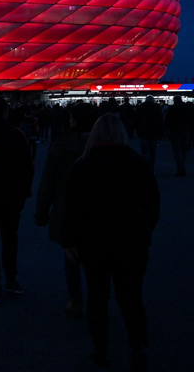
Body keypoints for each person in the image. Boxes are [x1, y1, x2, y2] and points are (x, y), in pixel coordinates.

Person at [62, 114, 160, 371]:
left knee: (97, 296)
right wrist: (144, 229)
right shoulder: (138, 163)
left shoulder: (82, 165)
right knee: (132, 296)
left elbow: (70, 208)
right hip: (132, 241)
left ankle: (101, 350)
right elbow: (153, 203)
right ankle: (138, 347)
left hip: (93, 243)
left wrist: (70, 240)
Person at [34, 102, 98, 319]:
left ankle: (75, 300)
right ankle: (98, 301)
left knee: (71, 255)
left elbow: (47, 183)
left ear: (75, 120)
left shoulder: (61, 145)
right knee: (98, 257)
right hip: (101, 211)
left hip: (68, 209)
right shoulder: (107, 145)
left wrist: (41, 213)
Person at [0, 96, 34, 302]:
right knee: (10, 239)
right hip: (11, 197)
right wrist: (24, 193)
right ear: (5, 111)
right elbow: (26, 167)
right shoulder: (15, 133)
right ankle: (11, 279)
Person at [134, 96, 164, 173]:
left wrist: (137, 130)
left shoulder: (141, 107)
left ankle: (145, 167)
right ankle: (151, 168)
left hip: (143, 131)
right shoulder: (157, 108)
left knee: (144, 151)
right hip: (154, 132)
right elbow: (160, 121)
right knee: (152, 151)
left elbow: (136, 119)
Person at [165, 95, 192, 177]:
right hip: (186, 131)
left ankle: (181, 168)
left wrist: (167, 132)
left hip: (175, 131)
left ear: (174, 100)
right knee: (184, 150)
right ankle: (182, 165)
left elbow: (167, 120)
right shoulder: (187, 108)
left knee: (177, 150)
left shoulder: (172, 108)